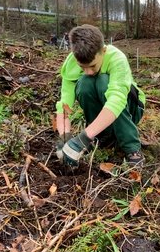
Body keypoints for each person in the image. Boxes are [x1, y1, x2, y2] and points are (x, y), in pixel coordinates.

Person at [55, 24, 146, 168]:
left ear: (103, 51)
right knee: (84, 83)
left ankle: (131, 147)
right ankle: (101, 137)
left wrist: (83, 138)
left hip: (131, 107)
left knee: (103, 81)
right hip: (104, 114)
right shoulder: (72, 63)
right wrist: (64, 137)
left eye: (92, 65)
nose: (88, 71)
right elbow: (64, 105)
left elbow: (117, 100)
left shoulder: (117, 58)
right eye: (82, 67)